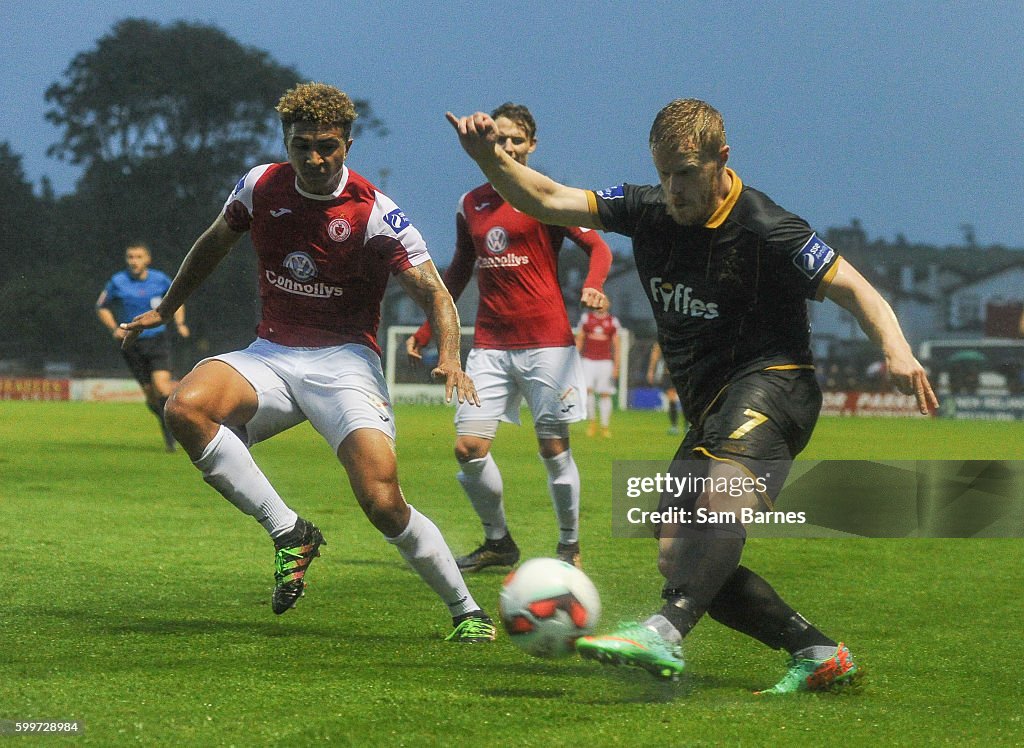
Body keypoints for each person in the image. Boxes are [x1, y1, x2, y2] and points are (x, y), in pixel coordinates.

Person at [445, 99, 938, 691]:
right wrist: (491, 160)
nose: (673, 189)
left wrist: (896, 348)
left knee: (719, 504)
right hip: (708, 406)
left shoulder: (766, 225)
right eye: (663, 174)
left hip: (774, 383)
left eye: (685, 173)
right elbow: (548, 198)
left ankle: (664, 630)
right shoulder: (649, 209)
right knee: (679, 554)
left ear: (720, 160)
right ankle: (816, 649)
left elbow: (857, 289)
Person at [123, 82, 495, 642]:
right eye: (303, 146)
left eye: (327, 146)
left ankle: (467, 612)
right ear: (286, 143)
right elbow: (213, 243)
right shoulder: (260, 186)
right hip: (270, 355)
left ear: (347, 143)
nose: (315, 158)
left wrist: (450, 357)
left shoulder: (373, 212)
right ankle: (290, 532)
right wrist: (167, 306)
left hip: (345, 363)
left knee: (382, 502)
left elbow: (437, 292)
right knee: (186, 407)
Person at [406, 103, 612, 572]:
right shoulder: (469, 203)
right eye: (499, 138)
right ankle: (499, 542)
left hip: (547, 343)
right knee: (468, 449)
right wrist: (426, 329)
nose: (507, 146)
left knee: (553, 447)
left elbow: (598, 246)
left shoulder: (545, 196)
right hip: (491, 346)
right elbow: (458, 271)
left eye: (516, 139)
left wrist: (593, 285)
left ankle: (568, 546)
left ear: (532, 145)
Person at [96, 242, 189, 452]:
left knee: (162, 387)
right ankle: (169, 425)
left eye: (138, 257)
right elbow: (101, 307)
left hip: (157, 339)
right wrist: (114, 329)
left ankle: (172, 437)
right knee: (150, 395)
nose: (133, 261)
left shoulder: (160, 279)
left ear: (147, 259)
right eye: (130, 257)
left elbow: (178, 300)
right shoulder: (117, 282)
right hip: (131, 342)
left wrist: (180, 322)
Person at [575, 303, 621, 438]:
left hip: (605, 362)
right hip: (588, 360)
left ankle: (605, 426)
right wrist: (574, 360)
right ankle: (592, 423)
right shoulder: (586, 318)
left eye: (605, 301)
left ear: (608, 304)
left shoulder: (613, 321)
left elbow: (617, 345)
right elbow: (580, 339)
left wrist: (616, 366)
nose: (602, 304)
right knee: (588, 391)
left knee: (605, 394)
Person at [646, 342, 681, 435]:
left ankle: (687, 426)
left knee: (686, 398)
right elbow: (656, 352)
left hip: (684, 370)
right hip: (669, 372)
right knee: (671, 397)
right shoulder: (665, 336)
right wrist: (651, 370)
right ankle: (674, 426)